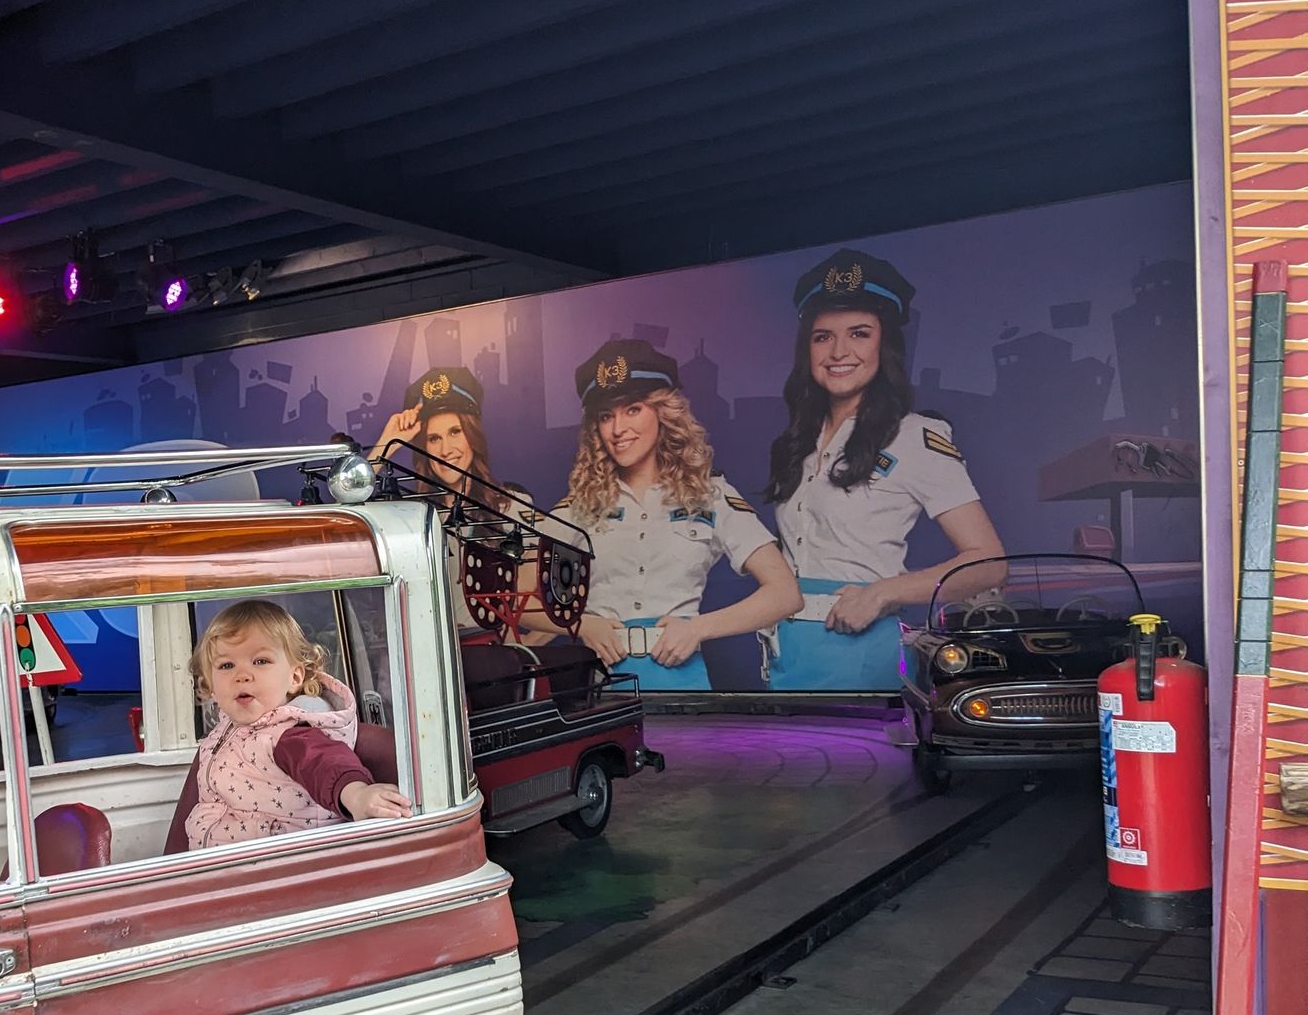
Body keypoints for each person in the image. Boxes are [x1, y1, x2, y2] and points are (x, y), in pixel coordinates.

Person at [764, 249, 1004, 690]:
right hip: (788, 649)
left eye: (859, 333)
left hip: (860, 650)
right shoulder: (799, 441)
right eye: (822, 337)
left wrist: (883, 592)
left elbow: (988, 564)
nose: (839, 351)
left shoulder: (914, 436)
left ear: (884, 344)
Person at [523, 340, 801, 689]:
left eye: (633, 409)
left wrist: (699, 628)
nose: (618, 429)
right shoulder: (578, 505)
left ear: (663, 412)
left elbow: (785, 594)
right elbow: (516, 598)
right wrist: (580, 625)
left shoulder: (710, 495)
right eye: (606, 416)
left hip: (683, 683)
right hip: (601, 686)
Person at [165, 600, 409, 852]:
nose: (242, 675)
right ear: (211, 686)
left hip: (276, 863)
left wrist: (357, 796)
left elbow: (326, 764)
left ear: (294, 677)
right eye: (227, 665)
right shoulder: (222, 734)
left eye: (260, 661)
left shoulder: (289, 734)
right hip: (220, 861)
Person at [366, 367, 509, 635]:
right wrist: (387, 443)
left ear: (472, 435)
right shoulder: (409, 517)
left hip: (491, 652)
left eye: (455, 432)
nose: (445, 450)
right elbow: (342, 518)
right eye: (434, 438)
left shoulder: (511, 507)